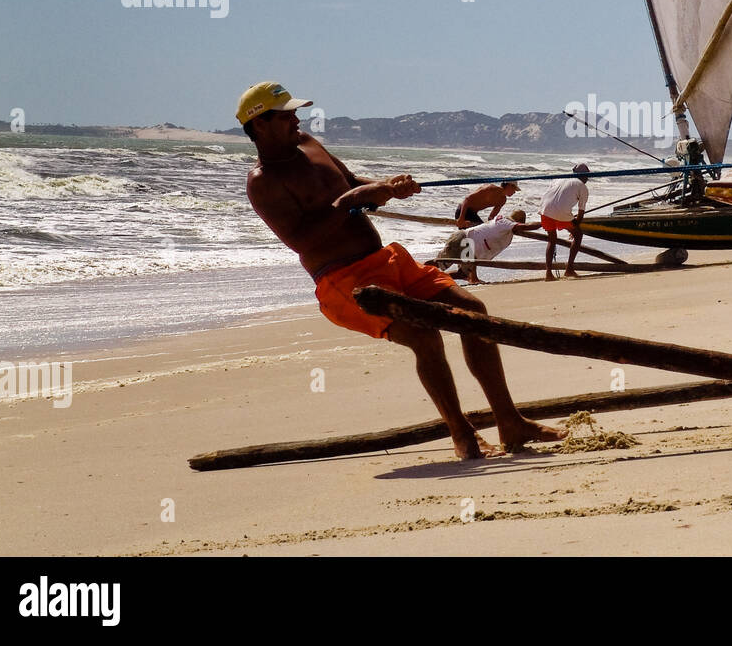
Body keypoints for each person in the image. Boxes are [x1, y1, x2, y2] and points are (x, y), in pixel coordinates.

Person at [237, 81, 562, 460]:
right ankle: (463, 435)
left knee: (473, 311)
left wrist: (387, 187)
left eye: (295, 112)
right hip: (343, 281)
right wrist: (351, 202)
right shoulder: (263, 182)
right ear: (259, 125)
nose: (297, 119)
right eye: (286, 114)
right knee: (424, 337)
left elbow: (352, 185)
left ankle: (510, 422)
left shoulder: (308, 142)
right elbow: (301, 240)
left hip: (387, 259)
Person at [437, 209, 539, 285]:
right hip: (464, 240)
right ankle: (424, 275)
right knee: (438, 263)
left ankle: (436, 280)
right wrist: (543, 223)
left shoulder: (506, 230)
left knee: (463, 274)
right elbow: (526, 226)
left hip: (468, 246)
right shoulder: (505, 222)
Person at [539, 164, 589, 281]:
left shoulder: (560, 178)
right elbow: (581, 213)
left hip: (544, 209)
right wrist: (575, 226)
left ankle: (548, 273)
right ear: (584, 176)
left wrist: (571, 224)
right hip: (561, 213)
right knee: (578, 235)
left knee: (552, 240)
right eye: (587, 176)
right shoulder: (582, 187)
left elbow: (553, 195)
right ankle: (569, 269)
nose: (587, 179)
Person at [455, 181, 519, 229]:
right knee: (468, 238)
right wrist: (461, 218)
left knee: (482, 232)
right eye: (514, 189)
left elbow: (491, 218)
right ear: (509, 186)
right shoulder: (490, 188)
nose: (514, 192)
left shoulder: (502, 200)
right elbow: (467, 200)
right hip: (462, 210)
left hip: (473, 215)